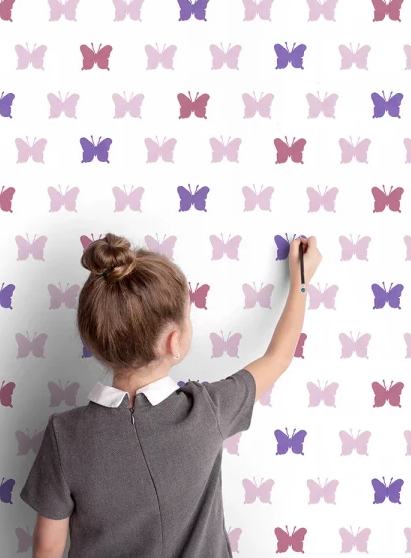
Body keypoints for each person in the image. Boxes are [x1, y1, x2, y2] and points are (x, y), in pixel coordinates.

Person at [20, 232, 322, 558]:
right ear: (173, 341)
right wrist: (301, 280)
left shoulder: (64, 435)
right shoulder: (207, 411)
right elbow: (278, 358)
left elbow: (48, 547)